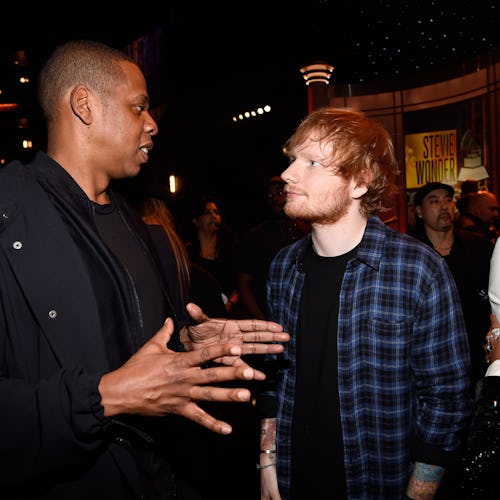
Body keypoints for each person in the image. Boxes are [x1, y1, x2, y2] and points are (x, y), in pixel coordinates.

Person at [0, 40, 290, 500]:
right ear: (84, 104)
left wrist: (187, 346)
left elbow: (128, 349)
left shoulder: (139, 229)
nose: (152, 124)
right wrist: (106, 398)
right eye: (139, 108)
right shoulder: (10, 218)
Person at [257, 107, 471, 499]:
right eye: (292, 160)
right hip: (292, 477)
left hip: (377, 483)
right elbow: (275, 378)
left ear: (360, 181)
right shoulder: (283, 267)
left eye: (313, 162)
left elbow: (445, 400)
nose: (288, 174)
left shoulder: (419, 269)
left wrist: (417, 495)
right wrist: (267, 460)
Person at [409, 182, 493, 389]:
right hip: (432, 362)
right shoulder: (412, 254)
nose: (444, 206)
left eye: (448, 199)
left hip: (479, 358)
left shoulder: (478, 246)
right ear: (419, 211)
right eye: (434, 201)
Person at [235, 175, 309, 320]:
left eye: (279, 193)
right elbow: (243, 284)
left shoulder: (308, 231)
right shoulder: (256, 236)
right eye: (270, 195)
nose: (274, 199)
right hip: (271, 320)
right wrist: (263, 322)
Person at [184, 194, 240, 315]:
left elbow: (240, 285)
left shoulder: (229, 251)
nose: (214, 216)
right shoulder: (187, 253)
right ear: (195, 221)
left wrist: (230, 304)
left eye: (216, 212)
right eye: (207, 212)